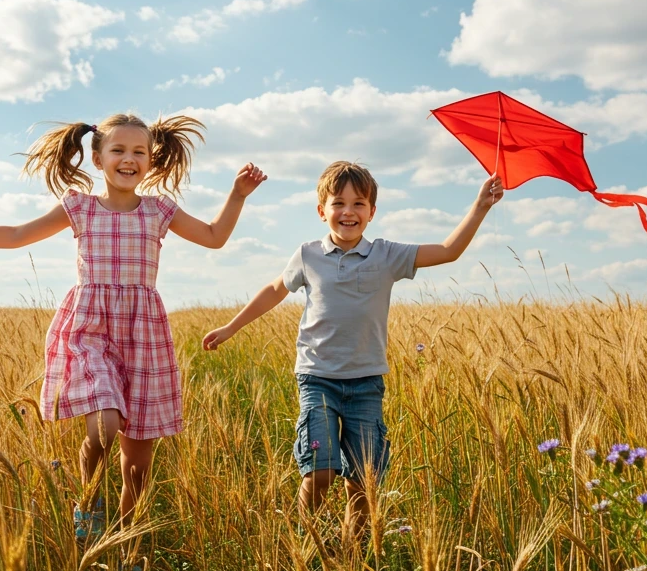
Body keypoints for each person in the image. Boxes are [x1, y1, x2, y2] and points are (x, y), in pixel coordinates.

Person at [0, 113, 266, 540]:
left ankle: (125, 537)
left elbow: (213, 236)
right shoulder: (79, 206)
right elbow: (17, 233)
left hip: (143, 334)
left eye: (139, 152)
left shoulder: (159, 211)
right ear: (98, 158)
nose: (129, 159)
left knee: (138, 461)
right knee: (105, 425)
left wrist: (238, 195)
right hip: (90, 329)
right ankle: (88, 502)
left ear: (151, 161)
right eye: (118, 150)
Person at [202, 160, 502, 546]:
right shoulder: (308, 255)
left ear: (372, 212)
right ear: (321, 211)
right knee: (320, 470)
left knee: (364, 480)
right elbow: (275, 289)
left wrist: (480, 206)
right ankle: (304, 544)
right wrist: (231, 327)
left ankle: (351, 553)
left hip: (365, 382)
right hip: (318, 378)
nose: (348, 212)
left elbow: (448, 251)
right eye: (338, 203)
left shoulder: (387, 256)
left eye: (359, 204)